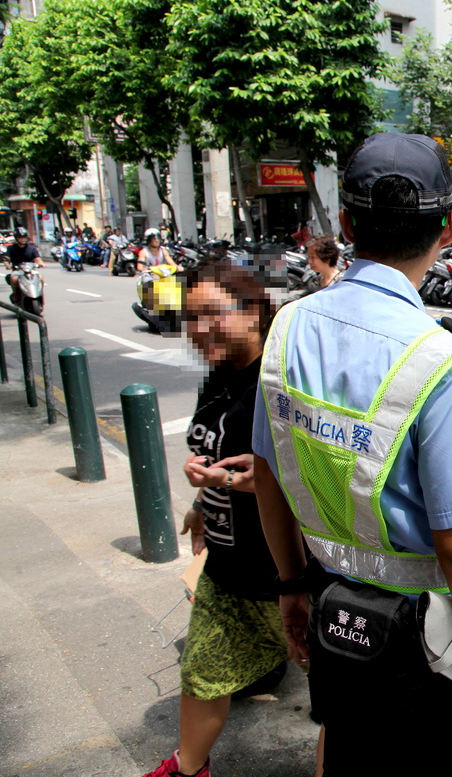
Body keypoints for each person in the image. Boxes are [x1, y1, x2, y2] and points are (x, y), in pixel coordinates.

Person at [251, 132, 452, 775]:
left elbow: (269, 475)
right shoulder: (448, 369)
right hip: (423, 646)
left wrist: (291, 586)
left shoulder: (288, 328)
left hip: (328, 608)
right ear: (449, 228)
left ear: (346, 223)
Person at [144, 260, 286, 777]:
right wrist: (205, 501)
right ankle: (187, 768)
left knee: (343, 699)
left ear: (252, 313)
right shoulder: (219, 378)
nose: (197, 330)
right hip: (227, 573)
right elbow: (218, 453)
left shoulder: (278, 384)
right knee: (202, 673)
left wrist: (240, 482)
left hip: (287, 578)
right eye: (190, 319)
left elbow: (302, 480)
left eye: (210, 315)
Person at [4, 227, 45, 302]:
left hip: (30, 270)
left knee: (41, 277)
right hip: (18, 270)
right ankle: (16, 294)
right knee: (14, 279)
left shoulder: (31, 248)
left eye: (24, 237)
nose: (23, 239)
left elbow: (38, 258)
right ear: (16, 238)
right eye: (20, 238)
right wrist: (7, 265)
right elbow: (6, 258)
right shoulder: (11, 248)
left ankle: (40, 294)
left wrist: (41, 264)